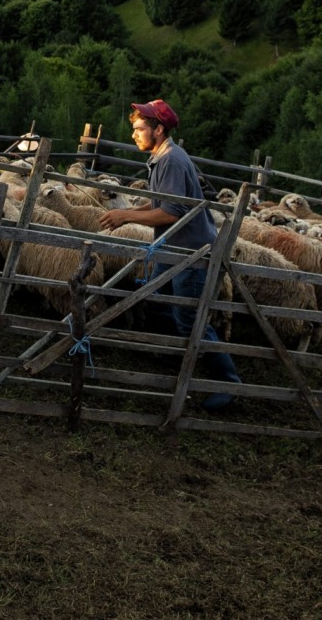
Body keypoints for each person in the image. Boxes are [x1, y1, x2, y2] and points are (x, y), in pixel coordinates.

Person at [100, 99, 242, 411]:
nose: (134, 135)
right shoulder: (162, 157)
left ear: (159, 129)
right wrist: (126, 211)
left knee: (190, 316)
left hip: (191, 252)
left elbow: (171, 212)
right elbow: (158, 204)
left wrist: (126, 218)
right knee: (156, 297)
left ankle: (227, 383)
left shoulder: (171, 162)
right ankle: (170, 351)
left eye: (139, 129)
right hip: (173, 247)